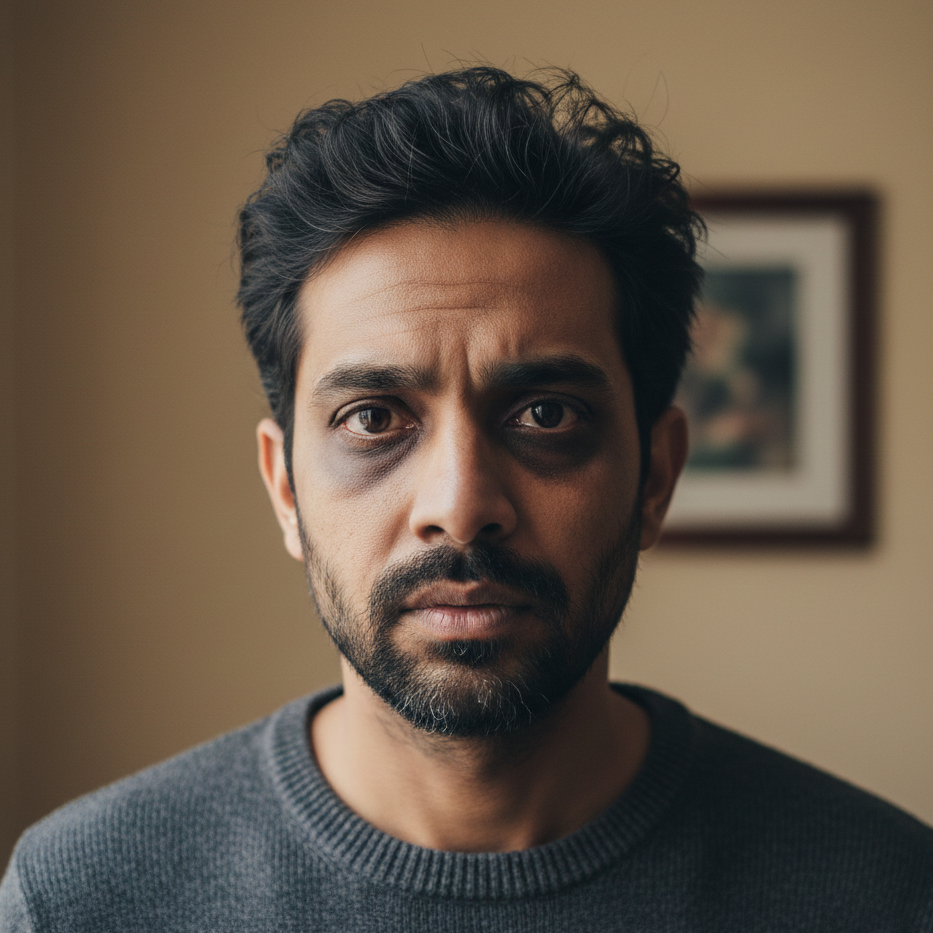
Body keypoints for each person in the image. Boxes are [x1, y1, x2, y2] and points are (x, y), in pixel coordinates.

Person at [2, 66, 931, 932]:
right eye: (373, 418)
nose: (459, 504)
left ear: (654, 476)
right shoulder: (83, 898)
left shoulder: (882, 894)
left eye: (545, 413)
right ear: (284, 487)